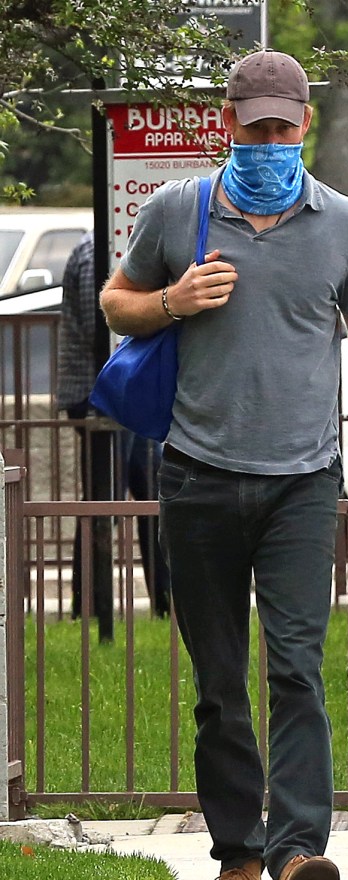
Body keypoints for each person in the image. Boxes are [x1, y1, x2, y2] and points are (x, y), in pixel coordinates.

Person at [100, 49, 348, 880]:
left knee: (297, 669)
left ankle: (297, 853)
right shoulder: (178, 211)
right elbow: (118, 302)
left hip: (303, 485)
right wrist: (173, 301)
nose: (269, 140)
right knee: (219, 682)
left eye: (284, 125)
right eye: (254, 124)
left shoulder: (345, 224)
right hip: (196, 476)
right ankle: (235, 859)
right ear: (224, 123)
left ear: (305, 124)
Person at [58, 230, 170, 618]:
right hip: (103, 393)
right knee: (103, 502)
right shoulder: (97, 250)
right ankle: (89, 605)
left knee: (152, 494)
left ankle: (165, 604)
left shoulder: (105, 248)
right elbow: (102, 326)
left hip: (122, 390)